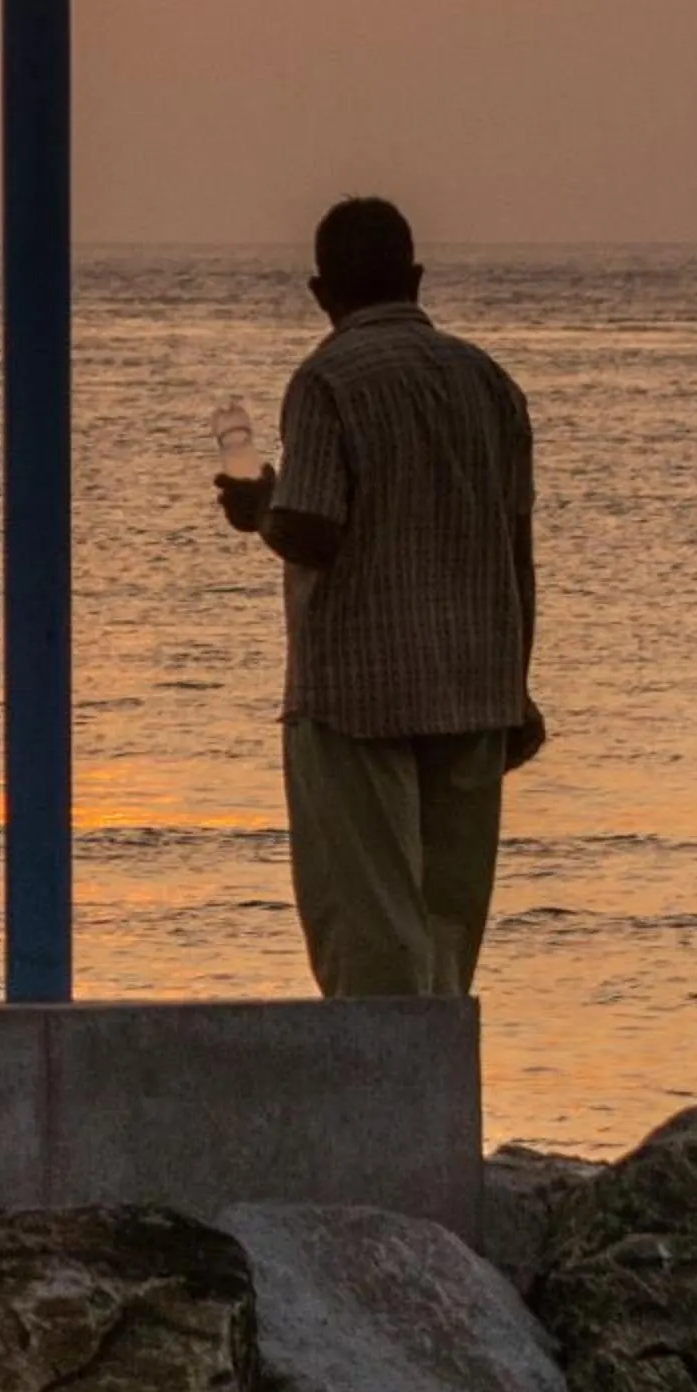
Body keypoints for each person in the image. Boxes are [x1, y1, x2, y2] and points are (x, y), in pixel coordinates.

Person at [217, 197, 540, 999]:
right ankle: (437, 1110)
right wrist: (517, 688)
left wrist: (260, 508)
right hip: (473, 689)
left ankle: (379, 1110)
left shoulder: (326, 381)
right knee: (447, 933)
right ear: (417, 278)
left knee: (369, 931)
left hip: (356, 696)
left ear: (321, 291)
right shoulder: (488, 382)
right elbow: (517, 550)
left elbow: (315, 531)